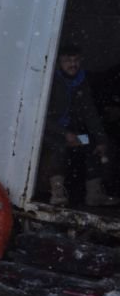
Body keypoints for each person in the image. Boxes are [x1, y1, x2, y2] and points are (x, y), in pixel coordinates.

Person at [41, 45, 118, 207]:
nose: (73, 64)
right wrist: (64, 133)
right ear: (59, 62)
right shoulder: (51, 81)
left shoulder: (81, 81)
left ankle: (94, 195)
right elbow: (41, 117)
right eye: (67, 60)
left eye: (76, 60)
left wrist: (101, 139)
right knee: (59, 148)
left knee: (93, 144)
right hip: (50, 133)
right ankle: (57, 194)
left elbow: (90, 114)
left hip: (73, 134)